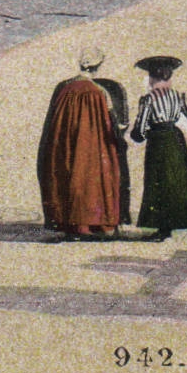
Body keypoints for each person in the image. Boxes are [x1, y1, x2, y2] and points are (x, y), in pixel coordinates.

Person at [37, 50, 124, 239]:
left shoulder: (64, 88)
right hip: (91, 142)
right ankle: (92, 222)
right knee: (90, 175)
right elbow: (111, 122)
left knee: (68, 173)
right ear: (98, 67)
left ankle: (68, 222)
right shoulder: (99, 91)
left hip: (65, 142)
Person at [128, 56, 187, 241]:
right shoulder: (178, 96)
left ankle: (163, 227)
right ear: (169, 77)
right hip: (176, 139)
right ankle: (179, 220)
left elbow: (140, 130)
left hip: (158, 141)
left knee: (159, 182)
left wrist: (136, 136)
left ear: (151, 78)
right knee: (177, 179)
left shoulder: (148, 99)